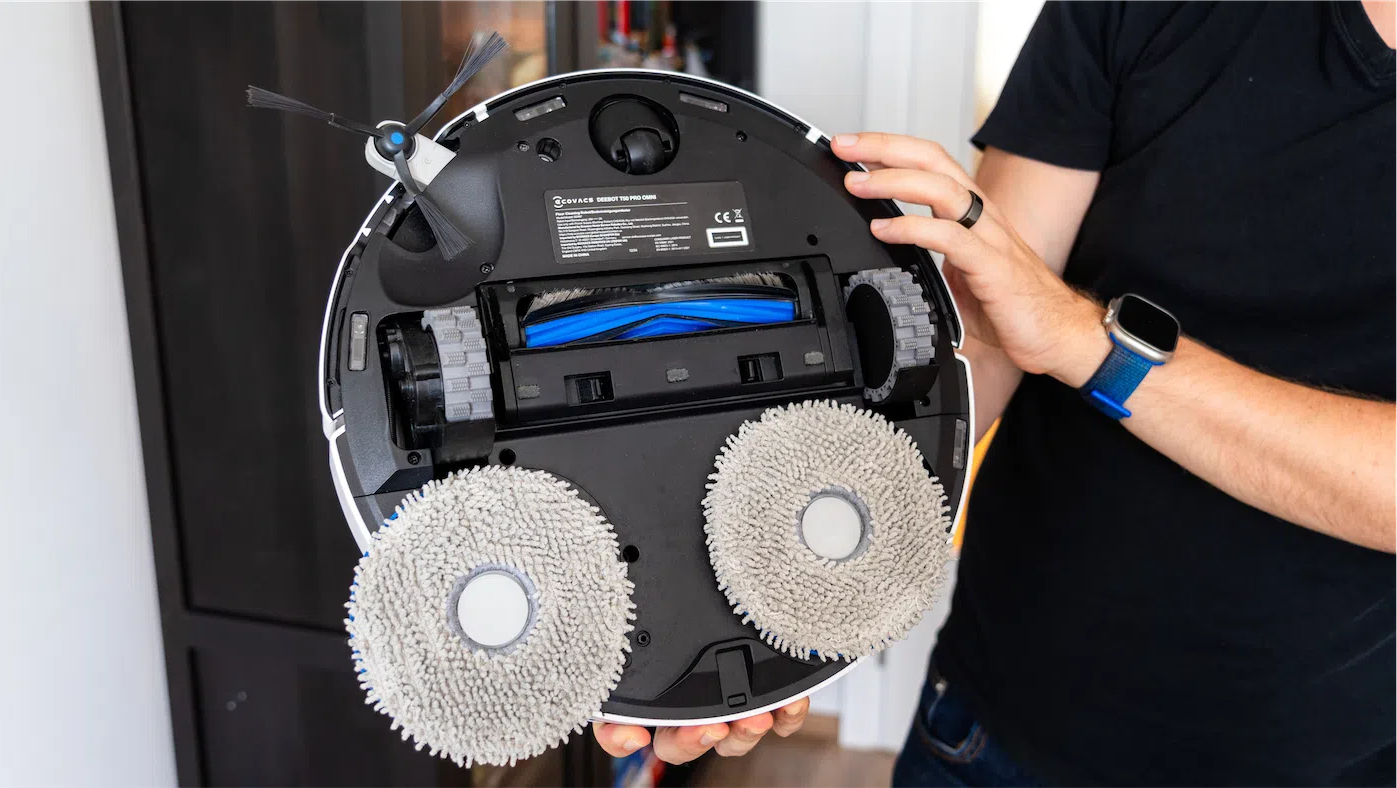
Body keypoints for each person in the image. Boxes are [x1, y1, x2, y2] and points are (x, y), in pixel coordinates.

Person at [595, 0, 1397, 783]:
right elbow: (982, 339)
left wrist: (1088, 344)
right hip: (994, 718)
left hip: (1321, 752)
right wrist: (741, 588)